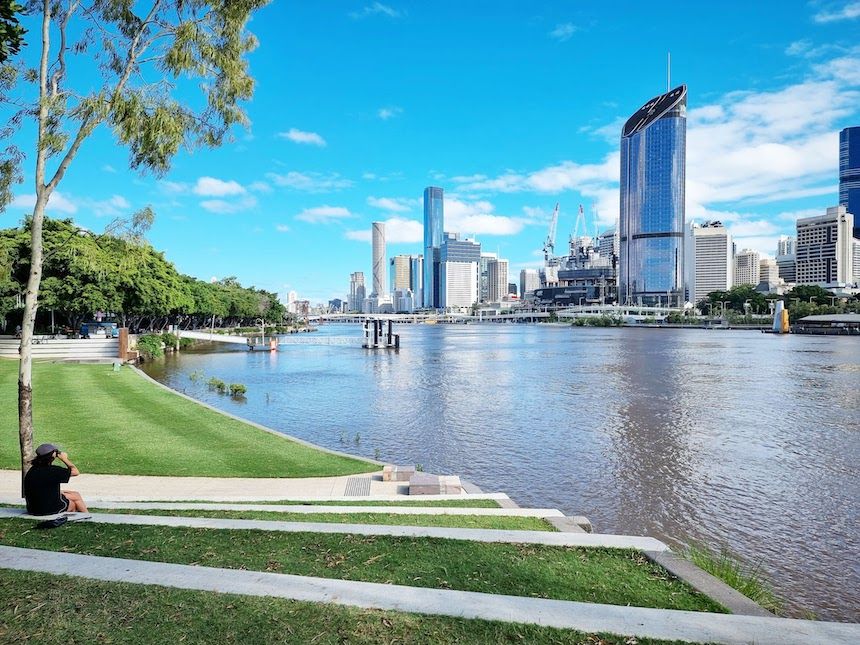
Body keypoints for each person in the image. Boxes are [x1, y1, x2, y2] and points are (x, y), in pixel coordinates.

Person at [24, 443, 88, 515]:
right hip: (47, 509)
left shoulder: (32, 470)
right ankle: (87, 517)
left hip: (33, 509)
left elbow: (42, 486)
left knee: (75, 495)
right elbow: (75, 472)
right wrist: (64, 459)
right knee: (72, 504)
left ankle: (87, 516)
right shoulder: (54, 471)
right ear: (53, 455)